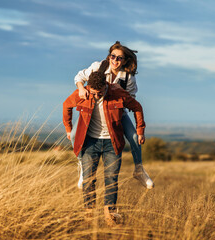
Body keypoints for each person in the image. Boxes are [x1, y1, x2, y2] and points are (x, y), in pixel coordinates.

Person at [63, 71, 146, 226]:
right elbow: (66, 105)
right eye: (93, 93)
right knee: (88, 179)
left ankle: (110, 217)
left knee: (111, 180)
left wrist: (140, 131)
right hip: (90, 143)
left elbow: (137, 107)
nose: (95, 96)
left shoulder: (117, 93)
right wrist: (69, 129)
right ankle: (89, 216)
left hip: (112, 143)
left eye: (99, 92)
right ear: (89, 88)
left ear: (105, 86)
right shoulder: (84, 92)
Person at [72, 41, 154, 190]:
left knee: (135, 138)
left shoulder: (128, 78)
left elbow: (132, 102)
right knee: (72, 135)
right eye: (112, 56)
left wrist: (119, 92)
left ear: (125, 60)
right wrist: (80, 89)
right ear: (109, 56)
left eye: (119, 58)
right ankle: (82, 168)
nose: (115, 60)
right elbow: (78, 77)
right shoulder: (98, 67)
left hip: (117, 114)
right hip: (93, 111)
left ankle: (139, 170)